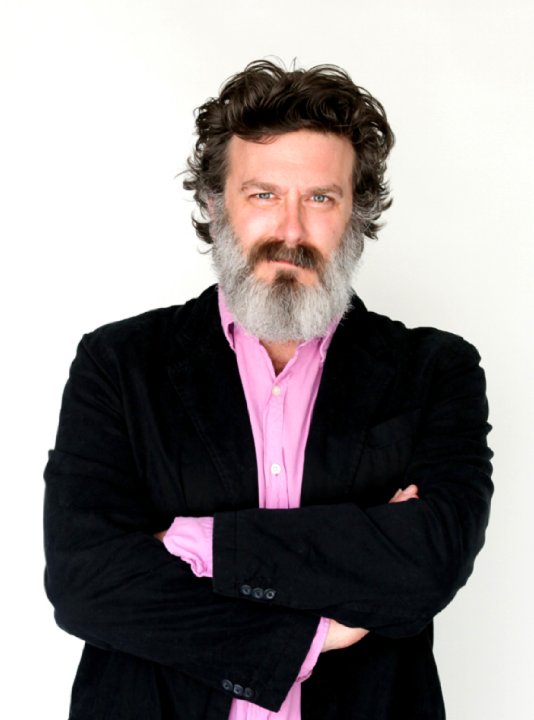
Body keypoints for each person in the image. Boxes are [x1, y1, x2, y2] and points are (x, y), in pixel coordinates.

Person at [44, 59, 493, 720]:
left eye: (321, 198)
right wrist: (315, 632)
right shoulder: (118, 364)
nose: (291, 229)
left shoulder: (434, 370)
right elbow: (86, 583)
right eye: (262, 195)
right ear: (214, 203)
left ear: (357, 213)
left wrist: (199, 544)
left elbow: (429, 563)